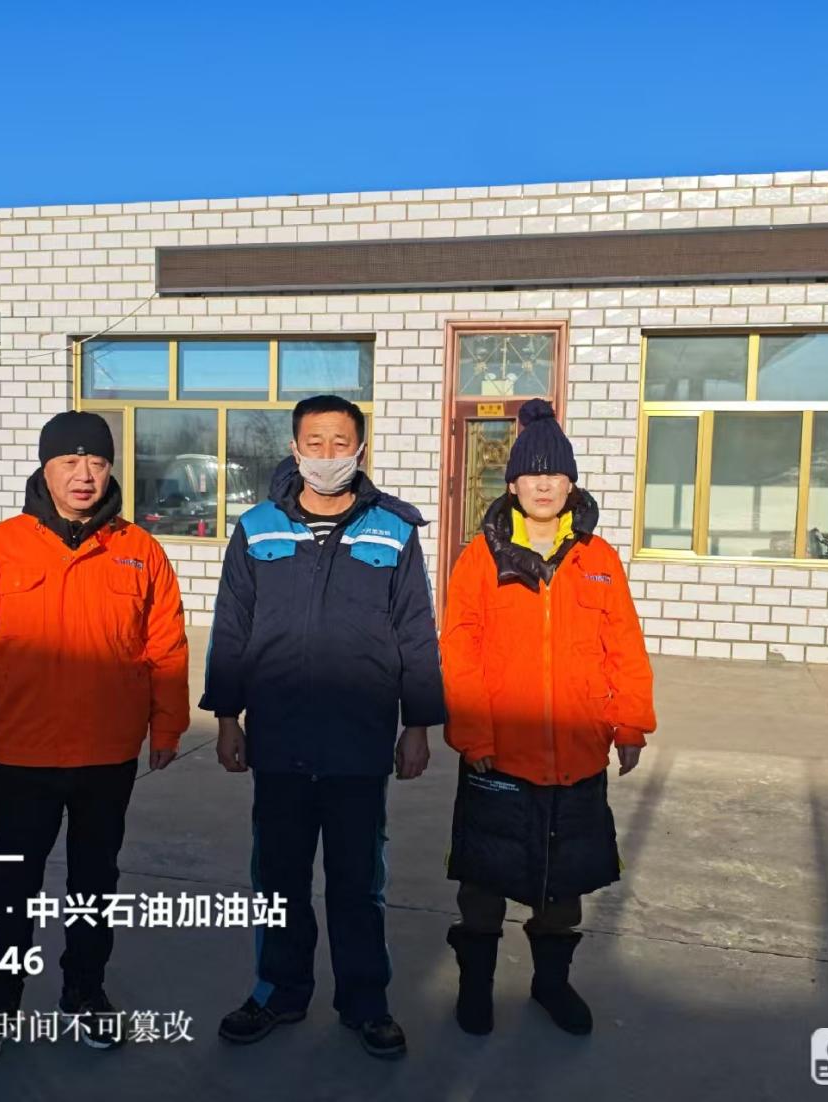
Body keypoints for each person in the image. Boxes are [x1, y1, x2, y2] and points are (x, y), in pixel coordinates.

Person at [0, 410, 190, 1069]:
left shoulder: (139, 550)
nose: (84, 475)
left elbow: (166, 646)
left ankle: (84, 993)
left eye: (97, 463)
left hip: (108, 755)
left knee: (94, 886)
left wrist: (167, 726)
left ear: (111, 469)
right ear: (45, 469)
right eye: (69, 462)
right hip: (22, 755)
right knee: (11, 890)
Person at [202, 394, 446, 1060]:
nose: (328, 455)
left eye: (342, 442)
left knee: (357, 883)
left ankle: (366, 1002)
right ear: (294, 448)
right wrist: (227, 717)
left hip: (357, 742)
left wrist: (419, 724)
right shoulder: (257, 528)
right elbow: (231, 627)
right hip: (279, 737)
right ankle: (278, 991)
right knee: (278, 878)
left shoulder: (393, 530)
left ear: (360, 451)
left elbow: (416, 632)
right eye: (316, 442)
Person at [440, 398, 655, 1038]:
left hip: (577, 754)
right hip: (499, 754)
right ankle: (475, 988)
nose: (543, 485)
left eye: (555, 474)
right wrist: (472, 733)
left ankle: (551, 984)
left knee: (563, 888)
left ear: (570, 483)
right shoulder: (480, 557)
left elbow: (624, 645)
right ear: (511, 484)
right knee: (484, 882)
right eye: (531, 474)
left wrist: (629, 723)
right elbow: (459, 649)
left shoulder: (598, 558)